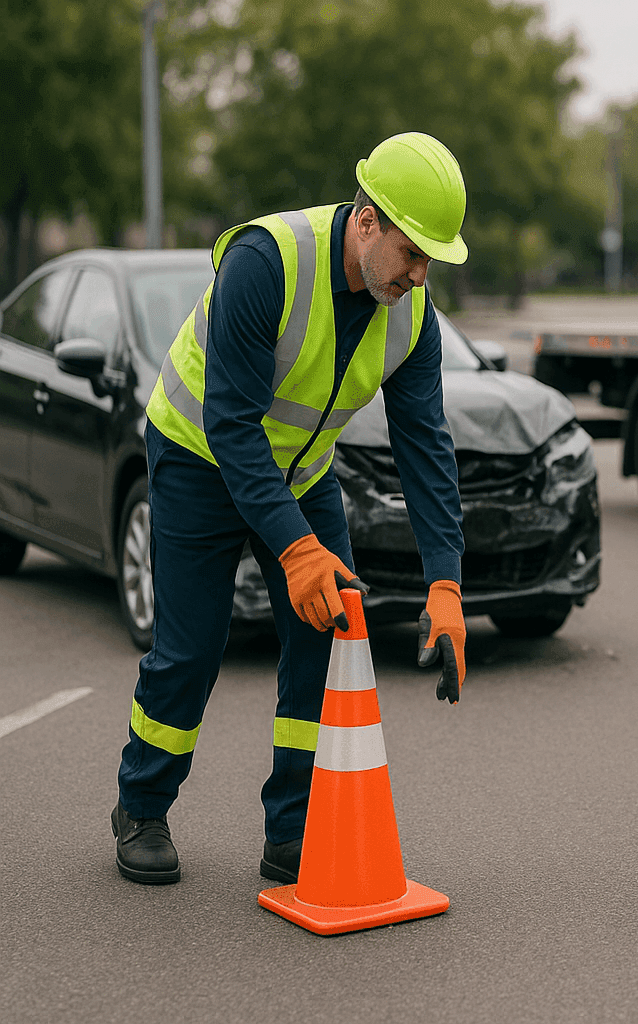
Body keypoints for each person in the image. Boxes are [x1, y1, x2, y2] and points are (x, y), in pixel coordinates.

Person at [111, 132, 471, 886]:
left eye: (430, 258)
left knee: (326, 639)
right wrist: (298, 549)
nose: (419, 273)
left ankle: (293, 830)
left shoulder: (410, 315)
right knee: (192, 649)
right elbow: (233, 426)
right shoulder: (266, 263)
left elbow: (427, 450)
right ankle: (141, 804)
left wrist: (446, 583)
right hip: (199, 459)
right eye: (412, 251)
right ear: (367, 222)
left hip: (299, 474)